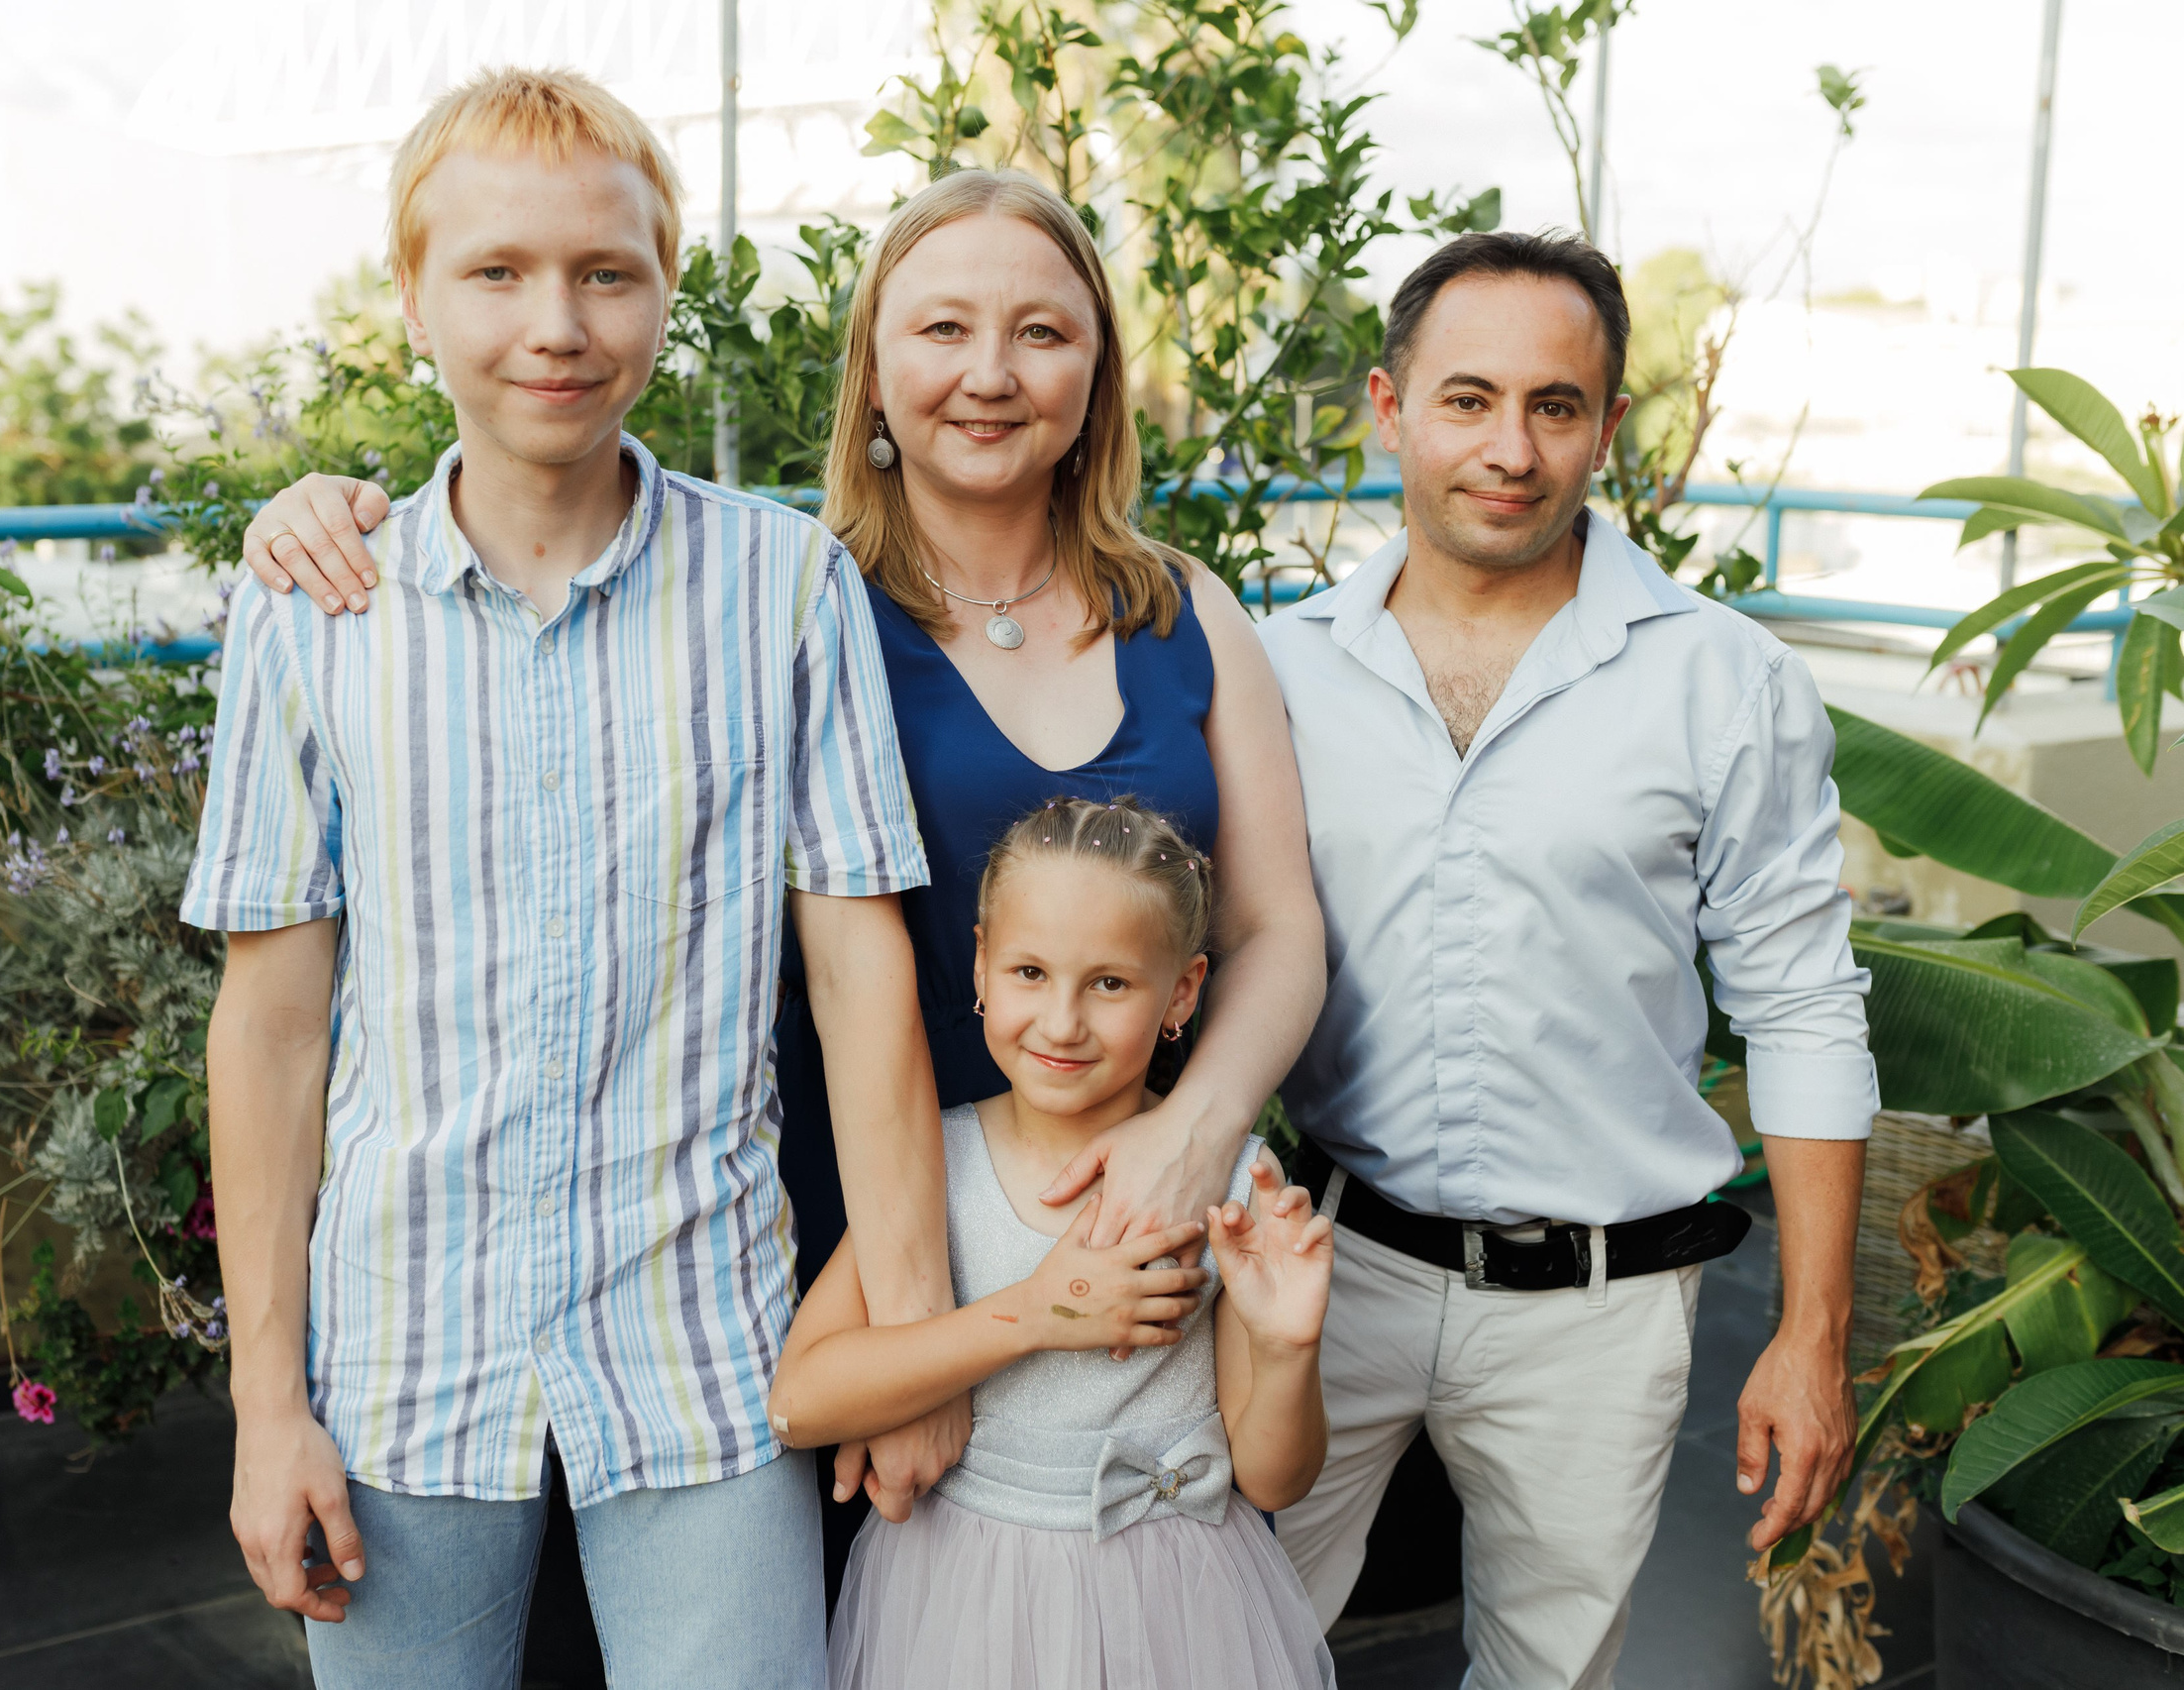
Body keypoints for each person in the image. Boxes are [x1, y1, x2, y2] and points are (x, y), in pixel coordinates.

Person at [242, 168, 1325, 1555]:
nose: (990, 374)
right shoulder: (775, 599)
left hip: (1130, 1210)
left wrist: (1192, 1136)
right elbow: (538, 563)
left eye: (1042, 334)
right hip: (858, 1240)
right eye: (941, 330)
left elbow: (1278, 925)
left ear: (1098, 373)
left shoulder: (1184, 608)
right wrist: (322, 517)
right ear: (870, 369)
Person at [186, 67, 953, 1690]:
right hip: (404, 1347)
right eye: (497, 272)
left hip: (706, 1345)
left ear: (667, 286)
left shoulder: (784, 587)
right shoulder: (316, 604)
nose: (559, 323)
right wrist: (269, 1407)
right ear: (411, 296)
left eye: (609, 271)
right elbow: (271, 1029)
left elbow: (860, 973)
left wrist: (906, 1338)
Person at [1258, 230, 1874, 1688]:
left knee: (1551, 1676)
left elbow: (1801, 1001)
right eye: (1469, 399)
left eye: (1556, 405)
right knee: (1220, 1633)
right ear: (1389, 406)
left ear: (1605, 426)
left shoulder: (1723, 680)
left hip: (1600, 1310)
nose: (1511, 448)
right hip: (1330, 1267)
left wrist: (1812, 1335)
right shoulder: (1277, 667)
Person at [771, 796, 1338, 1690]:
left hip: (1180, 1619)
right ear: (982, 967)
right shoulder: (938, 1164)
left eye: (1109, 983)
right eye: (1031, 972)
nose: (1063, 1021)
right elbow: (801, 1400)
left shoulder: (1229, 1186)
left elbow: (1272, 1479)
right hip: (963, 1615)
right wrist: (1035, 1313)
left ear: (1182, 992)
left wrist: (1286, 1347)